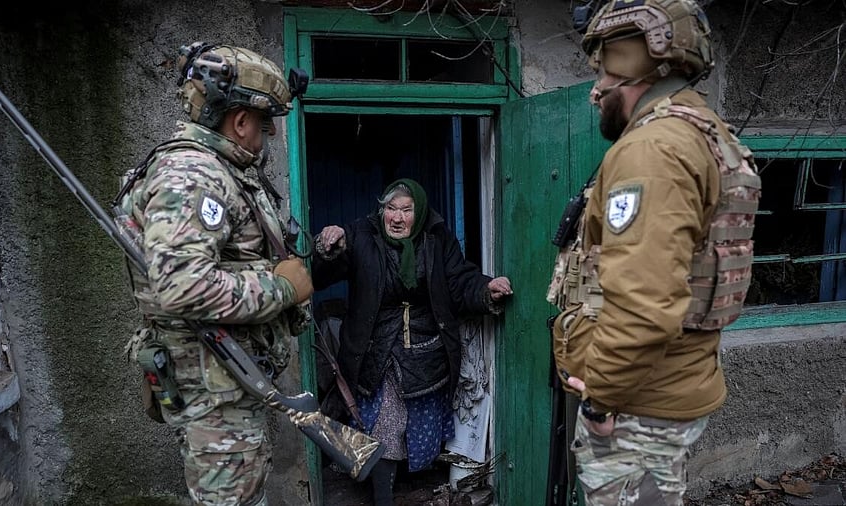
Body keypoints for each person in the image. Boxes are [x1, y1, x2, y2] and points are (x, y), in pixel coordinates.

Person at [547, 1, 761, 504]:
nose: (595, 89)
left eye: (604, 70)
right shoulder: (704, 132)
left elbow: (644, 304)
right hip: (668, 389)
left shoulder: (653, 148)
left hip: (637, 406)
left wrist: (601, 402)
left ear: (638, 71)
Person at [114, 42, 314, 506]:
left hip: (230, 376)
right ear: (240, 122)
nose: (265, 139)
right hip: (214, 388)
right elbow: (181, 286)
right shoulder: (192, 175)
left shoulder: (221, 169)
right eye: (264, 126)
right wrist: (282, 287)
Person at [312, 178, 513, 506]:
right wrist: (326, 247)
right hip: (375, 347)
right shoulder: (362, 234)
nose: (397, 217)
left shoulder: (437, 238)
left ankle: (400, 483)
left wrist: (485, 289)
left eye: (406, 210)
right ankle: (383, 498)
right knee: (387, 423)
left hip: (425, 349)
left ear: (418, 214)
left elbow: (459, 280)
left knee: (412, 427)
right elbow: (320, 276)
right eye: (390, 208)